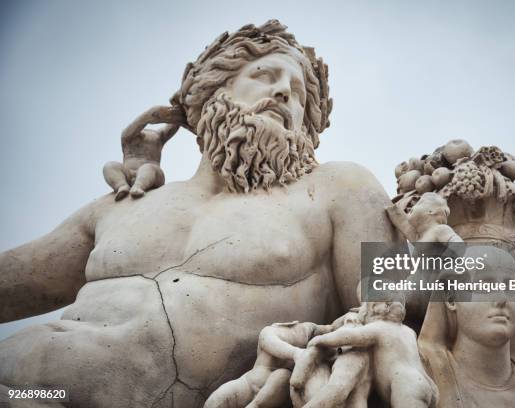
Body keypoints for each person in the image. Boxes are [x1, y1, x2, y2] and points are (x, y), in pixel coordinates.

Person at [0, 20, 402, 407]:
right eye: (265, 75)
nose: (284, 94)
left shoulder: (336, 189)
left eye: (298, 93)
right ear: (212, 89)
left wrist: (462, 216)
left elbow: (415, 301)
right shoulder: (129, 201)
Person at [418, 246, 515, 407]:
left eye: (510, 287)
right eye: (485, 285)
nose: (502, 298)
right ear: (451, 299)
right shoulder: (423, 378)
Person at [307, 301, 438, 408]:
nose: (361, 310)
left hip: (406, 386)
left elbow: (349, 336)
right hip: (428, 385)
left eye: (365, 305)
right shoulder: (409, 332)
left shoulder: (379, 327)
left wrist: (319, 340)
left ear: (376, 308)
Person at [204, 321, 331, 408]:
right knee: (215, 402)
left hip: (269, 397)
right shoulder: (269, 332)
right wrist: (297, 353)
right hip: (245, 387)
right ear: (288, 324)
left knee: (284, 376)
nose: (305, 334)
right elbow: (271, 342)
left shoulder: (291, 370)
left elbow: (329, 329)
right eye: (304, 330)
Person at [103, 105, 184, 200]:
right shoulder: (126, 136)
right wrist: (149, 116)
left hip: (153, 175)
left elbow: (173, 125)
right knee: (110, 166)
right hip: (128, 174)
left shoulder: (157, 136)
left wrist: (179, 111)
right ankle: (121, 185)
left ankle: (139, 186)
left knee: (148, 168)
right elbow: (139, 123)